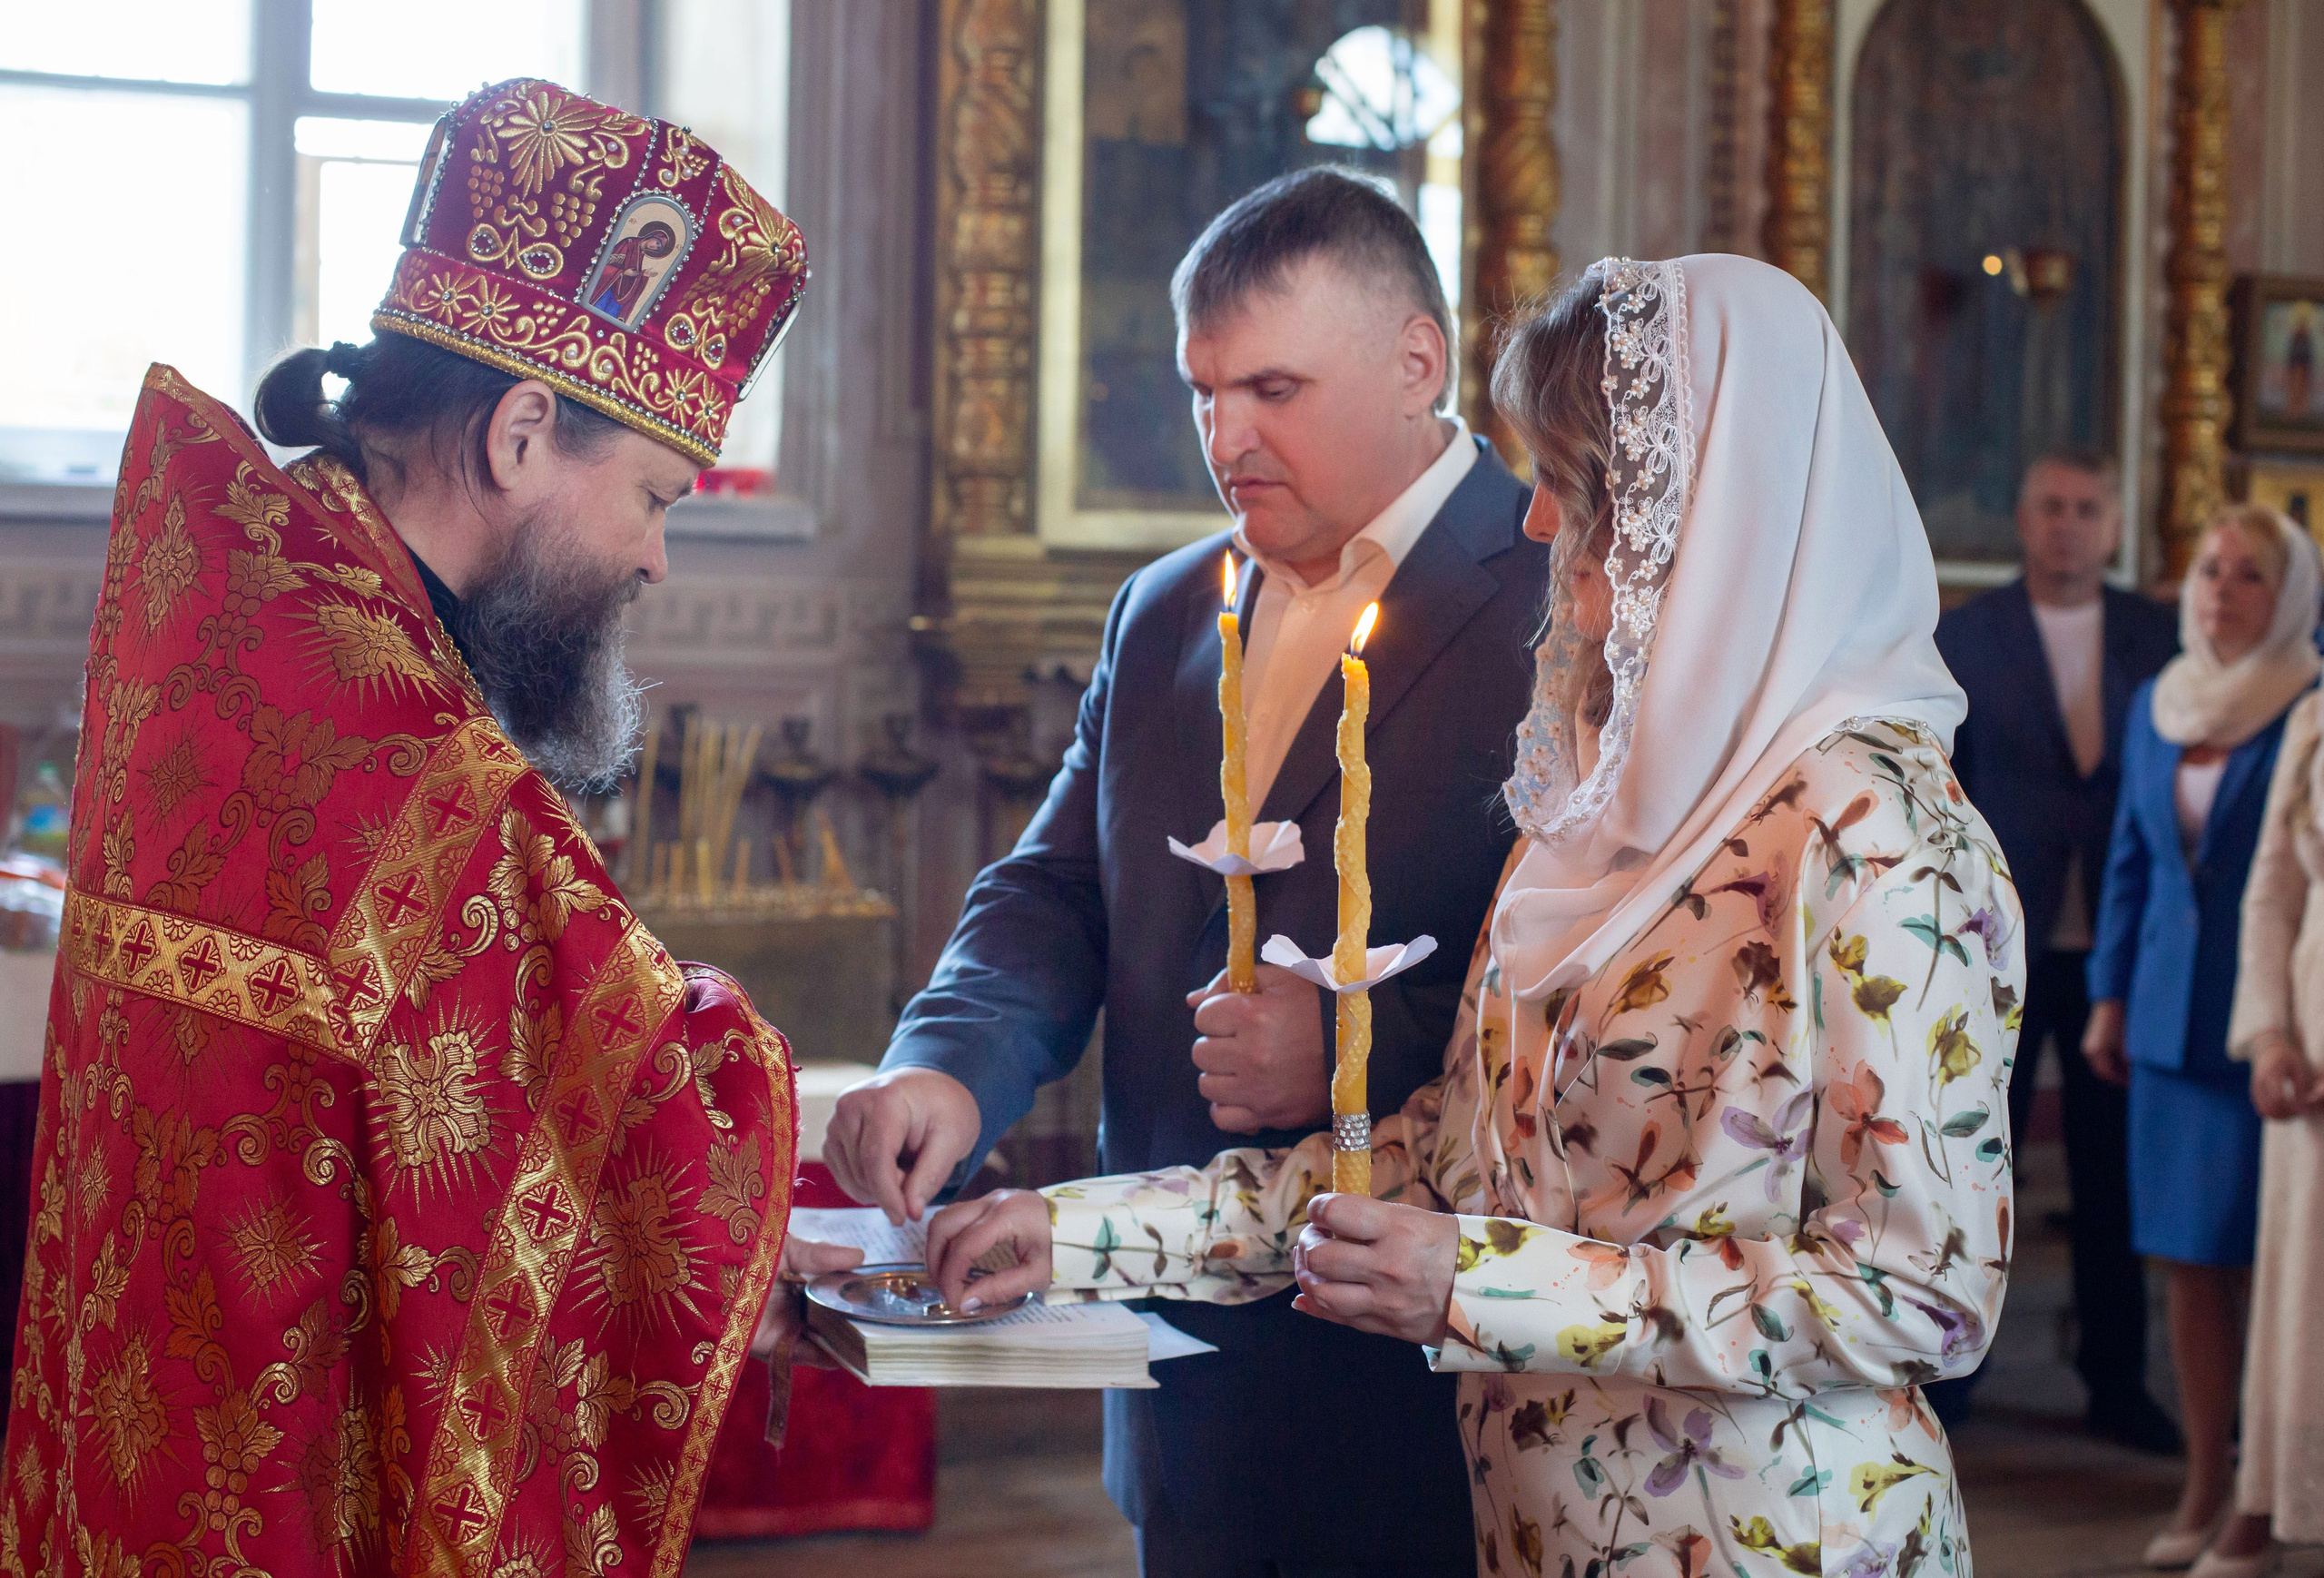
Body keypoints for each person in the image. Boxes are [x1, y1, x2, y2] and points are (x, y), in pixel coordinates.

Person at [920, 255, 2024, 1576]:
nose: (1541, 520)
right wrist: (1077, 1232)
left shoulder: (1876, 833)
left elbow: (1922, 1293)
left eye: (1573, 479)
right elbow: (1442, 1156)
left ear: (1713, 502)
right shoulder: (1606, 795)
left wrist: (1482, 1284)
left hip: (1776, 1539)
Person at [0, 79, 848, 1573]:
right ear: (522, 433)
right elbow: (593, 1070)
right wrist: (772, 1212)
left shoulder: (251, 594)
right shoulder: (392, 746)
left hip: (156, 1436)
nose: (657, 556)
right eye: (655, 494)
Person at [822, 169, 1548, 1575]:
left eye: (1274, 388)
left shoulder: (1551, 598)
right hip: (1179, 1379)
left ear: (1419, 363)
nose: (1227, 437)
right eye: (1204, 391)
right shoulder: (1163, 608)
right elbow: (1056, 892)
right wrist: (949, 1067)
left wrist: (1367, 1042)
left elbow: (1613, 981)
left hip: (1426, 1378)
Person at [2080, 504, 2323, 1573]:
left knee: (2274, 1269)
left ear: (2291, 595)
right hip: (2168, 1017)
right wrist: (2108, 994)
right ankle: (2204, 1481)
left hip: (2274, 1020)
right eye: (2210, 570)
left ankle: (2268, 1493)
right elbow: (2130, 859)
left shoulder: (2306, 700)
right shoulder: (2158, 701)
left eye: (2249, 575)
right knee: (2184, 1261)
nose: (2222, 590)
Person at [1930, 451, 2180, 1447]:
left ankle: (2115, 1379)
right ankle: (1959, 1370)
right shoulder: (1965, 633)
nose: (2068, 524)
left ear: (2113, 525)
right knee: (1975, 1157)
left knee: (2111, 1166)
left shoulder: (2159, 634)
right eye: (2051, 507)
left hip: (2121, 944)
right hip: (2001, 940)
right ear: (2023, 518)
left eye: (2086, 509)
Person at [2212, 551, 2324, 1578]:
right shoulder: (2313, 718)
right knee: (2301, 1291)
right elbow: (2272, 893)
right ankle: (2278, 1500)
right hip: (2312, 1045)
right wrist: (2272, 1034)